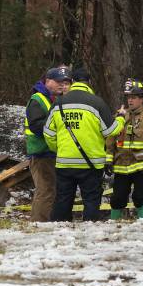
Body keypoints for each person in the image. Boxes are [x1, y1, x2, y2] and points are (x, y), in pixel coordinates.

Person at [43, 68, 125, 221]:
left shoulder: (58, 103)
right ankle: (90, 232)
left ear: (72, 82)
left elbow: (48, 133)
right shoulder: (96, 102)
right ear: (89, 83)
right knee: (91, 201)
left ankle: (59, 234)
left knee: (63, 200)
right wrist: (120, 117)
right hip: (91, 164)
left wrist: (59, 149)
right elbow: (112, 131)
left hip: (65, 163)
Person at [106, 79, 143, 219]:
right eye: (128, 97)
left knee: (141, 197)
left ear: (142, 99)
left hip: (141, 167)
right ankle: (114, 223)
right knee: (117, 198)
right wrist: (108, 160)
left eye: (134, 97)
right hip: (121, 166)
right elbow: (110, 139)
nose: (130, 101)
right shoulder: (120, 116)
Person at [24, 66, 72, 222]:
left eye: (65, 82)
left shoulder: (54, 99)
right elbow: (36, 126)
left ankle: (47, 222)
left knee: (51, 190)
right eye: (58, 81)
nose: (61, 85)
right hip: (41, 153)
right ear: (47, 81)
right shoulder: (37, 99)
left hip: (51, 152)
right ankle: (39, 223)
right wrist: (56, 122)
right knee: (45, 190)